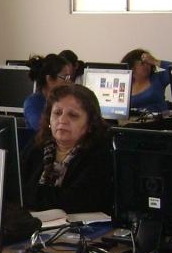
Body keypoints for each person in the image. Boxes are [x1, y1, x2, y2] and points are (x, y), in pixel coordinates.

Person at [21, 85, 113, 215]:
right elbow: (13, 188)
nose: (62, 120)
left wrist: (29, 195)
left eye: (73, 115)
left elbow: (73, 202)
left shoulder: (100, 152)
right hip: (33, 225)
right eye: (57, 113)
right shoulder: (37, 145)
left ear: (90, 124)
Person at [23, 54, 73, 131]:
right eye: (65, 77)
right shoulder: (33, 102)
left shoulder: (61, 100)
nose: (69, 82)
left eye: (69, 77)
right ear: (49, 79)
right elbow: (43, 128)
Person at [122, 48, 172, 113]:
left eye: (148, 63)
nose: (147, 65)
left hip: (158, 120)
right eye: (143, 63)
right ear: (132, 67)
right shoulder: (124, 82)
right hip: (132, 121)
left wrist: (155, 61)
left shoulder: (158, 78)